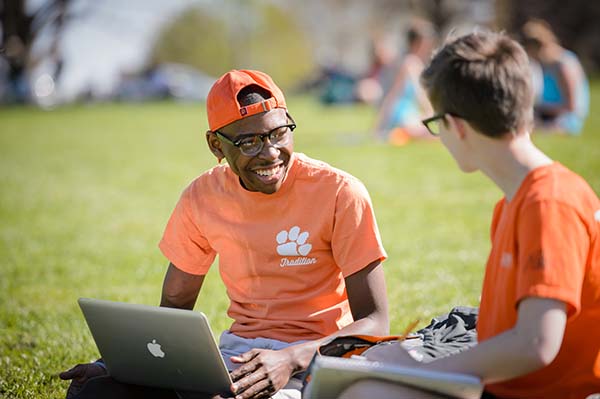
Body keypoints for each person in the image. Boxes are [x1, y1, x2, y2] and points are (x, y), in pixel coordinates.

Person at [59, 69, 389, 399]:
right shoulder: (202, 197)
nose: (270, 152)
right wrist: (111, 364)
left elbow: (375, 323)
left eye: (279, 133)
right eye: (249, 142)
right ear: (216, 145)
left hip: (315, 362)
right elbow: (174, 307)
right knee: (96, 393)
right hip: (237, 360)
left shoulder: (340, 193)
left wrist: (290, 358)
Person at [339, 31, 600, 399]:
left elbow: (536, 343)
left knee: (364, 394)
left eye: (435, 124)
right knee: (368, 377)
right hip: (504, 385)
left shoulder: (549, 203)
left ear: (457, 127)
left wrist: (425, 370)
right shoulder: (517, 200)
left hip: (544, 393)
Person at [373, 19, 436, 145]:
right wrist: (431, 113)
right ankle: (398, 134)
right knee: (431, 134)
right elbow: (419, 94)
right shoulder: (411, 63)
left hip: (407, 112)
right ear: (418, 43)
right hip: (402, 113)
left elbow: (393, 94)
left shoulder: (409, 61)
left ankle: (397, 133)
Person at [521, 19, 589, 135]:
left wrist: (541, 108)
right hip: (548, 114)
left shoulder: (564, 64)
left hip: (566, 120)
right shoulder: (544, 64)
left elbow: (572, 107)